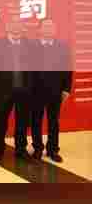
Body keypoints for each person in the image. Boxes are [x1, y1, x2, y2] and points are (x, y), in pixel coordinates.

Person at [0, 19, 34, 162]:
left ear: (22, 28)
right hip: (4, 90)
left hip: (24, 91)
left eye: (19, 24)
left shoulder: (28, 44)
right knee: (1, 122)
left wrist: (30, 87)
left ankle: (21, 150)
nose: (16, 27)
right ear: (7, 27)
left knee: (22, 122)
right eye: (13, 24)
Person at [31, 19, 72, 163]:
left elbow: (68, 69)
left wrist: (66, 89)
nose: (49, 29)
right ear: (39, 29)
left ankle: (53, 149)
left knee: (53, 121)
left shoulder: (62, 46)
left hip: (56, 91)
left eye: (51, 26)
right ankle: (37, 148)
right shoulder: (32, 46)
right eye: (46, 26)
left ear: (55, 30)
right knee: (36, 121)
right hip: (35, 91)